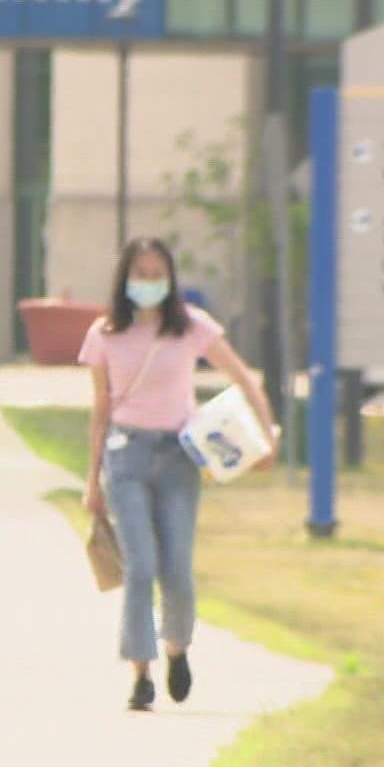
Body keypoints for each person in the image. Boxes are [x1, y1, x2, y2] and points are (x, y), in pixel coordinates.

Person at [78, 237, 278, 712]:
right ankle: (141, 673)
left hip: (179, 457)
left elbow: (244, 377)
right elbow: (100, 408)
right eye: (140, 274)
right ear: (125, 279)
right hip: (125, 455)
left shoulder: (190, 327)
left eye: (157, 274)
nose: (149, 283)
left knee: (177, 570)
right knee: (141, 565)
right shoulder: (104, 334)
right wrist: (91, 480)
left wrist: (266, 432)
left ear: (169, 279)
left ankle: (177, 649)